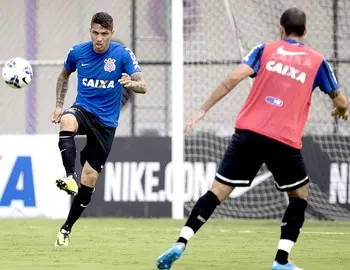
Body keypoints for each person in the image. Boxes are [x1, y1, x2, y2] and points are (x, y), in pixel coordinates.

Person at [156, 7, 348, 270]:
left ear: (281, 30)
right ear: (305, 31)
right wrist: (341, 109)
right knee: (299, 196)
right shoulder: (317, 60)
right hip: (283, 139)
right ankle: (281, 260)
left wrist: (202, 111)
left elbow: (232, 79)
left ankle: (181, 241)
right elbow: (340, 99)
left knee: (216, 192)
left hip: (248, 133)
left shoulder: (265, 49)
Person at [51, 12, 147, 246]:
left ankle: (66, 229)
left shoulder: (123, 54)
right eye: (95, 33)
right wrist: (58, 106)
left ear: (111, 34)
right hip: (83, 109)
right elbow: (63, 75)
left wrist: (131, 83)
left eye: (104, 34)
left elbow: (143, 85)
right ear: (90, 32)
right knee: (66, 121)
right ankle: (69, 177)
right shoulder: (77, 52)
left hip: (106, 124)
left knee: (91, 177)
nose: (99, 38)